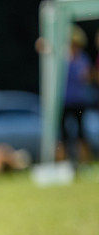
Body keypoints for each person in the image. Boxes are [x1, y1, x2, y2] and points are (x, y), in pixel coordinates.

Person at [58, 25, 93, 162]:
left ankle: (84, 160)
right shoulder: (61, 58)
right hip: (64, 101)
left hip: (78, 100)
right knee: (63, 134)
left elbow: (87, 78)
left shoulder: (82, 59)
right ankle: (63, 161)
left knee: (81, 132)